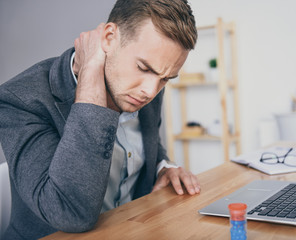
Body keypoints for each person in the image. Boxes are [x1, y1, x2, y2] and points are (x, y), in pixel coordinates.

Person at [0, 0, 200, 239]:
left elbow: (145, 144)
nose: (151, 90)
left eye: (166, 78)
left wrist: (162, 167)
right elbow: (69, 213)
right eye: (143, 68)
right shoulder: (20, 100)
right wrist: (91, 74)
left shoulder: (148, 83)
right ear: (108, 38)